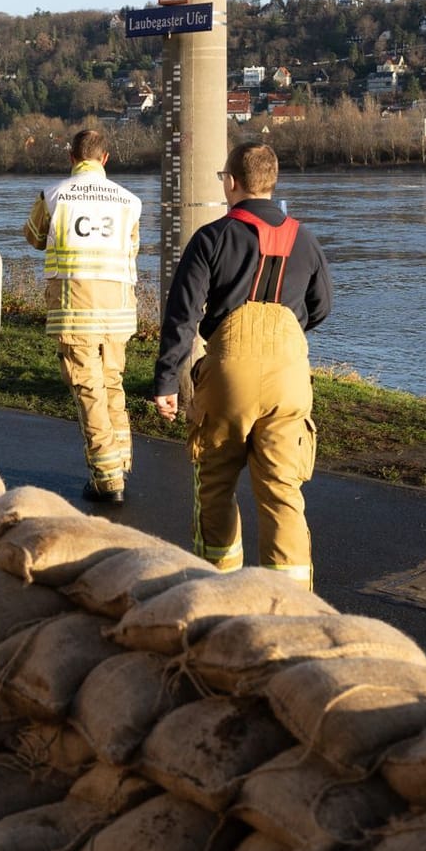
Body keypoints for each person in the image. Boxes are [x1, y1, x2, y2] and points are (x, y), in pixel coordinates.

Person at [153, 141, 331, 587]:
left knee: (215, 483)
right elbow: (322, 305)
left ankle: (220, 587)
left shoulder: (211, 238)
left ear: (231, 183)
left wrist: (166, 380)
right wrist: (285, 335)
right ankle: (290, 603)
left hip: (229, 374)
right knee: (282, 492)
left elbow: (182, 315)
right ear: (272, 183)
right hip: (289, 378)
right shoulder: (305, 240)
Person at [23, 127, 144, 505]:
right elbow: (132, 248)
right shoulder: (130, 202)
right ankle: (120, 460)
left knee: (88, 390)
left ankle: (107, 480)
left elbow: (33, 236)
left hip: (76, 311)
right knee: (112, 384)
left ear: (72, 157)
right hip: (118, 310)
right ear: (105, 158)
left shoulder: (55, 195)